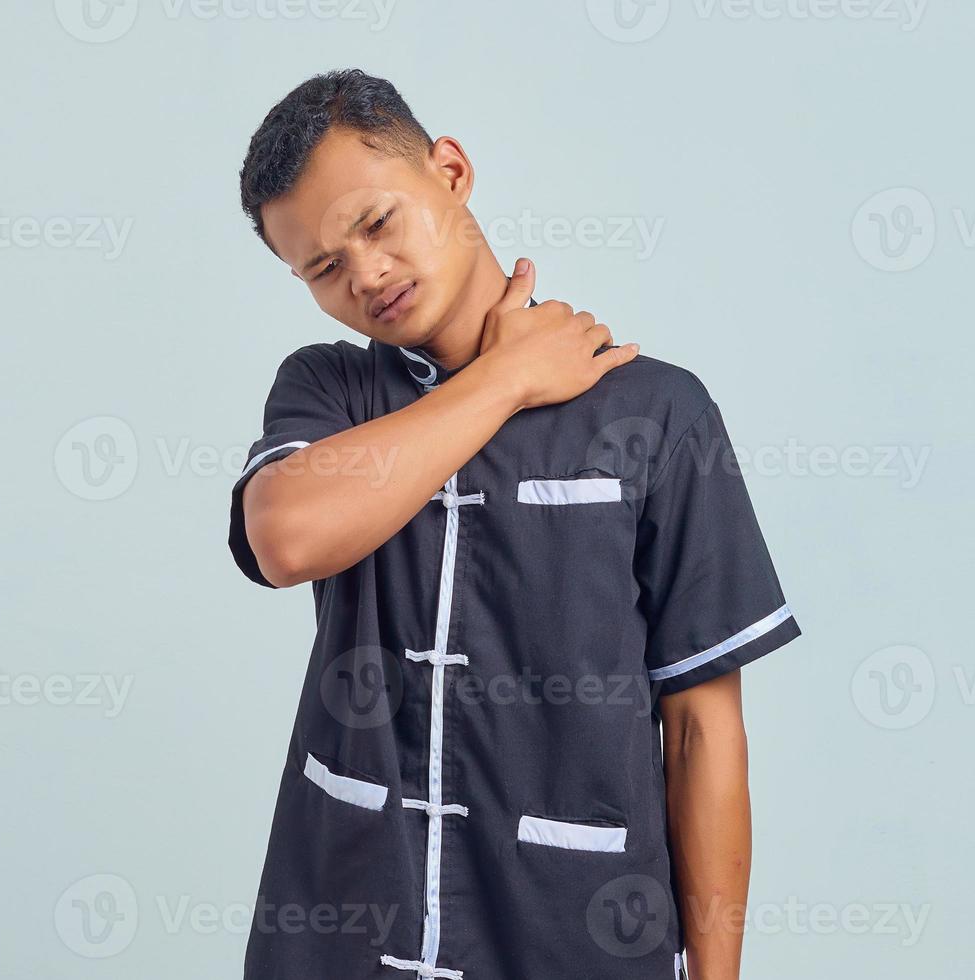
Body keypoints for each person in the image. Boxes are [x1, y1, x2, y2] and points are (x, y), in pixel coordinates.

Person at [229, 68, 801, 980]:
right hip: (339, 943)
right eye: (323, 270)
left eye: (375, 224)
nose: (365, 275)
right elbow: (286, 537)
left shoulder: (656, 413)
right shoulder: (330, 390)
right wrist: (504, 380)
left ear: (450, 171)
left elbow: (701, 728)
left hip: (570, 938)